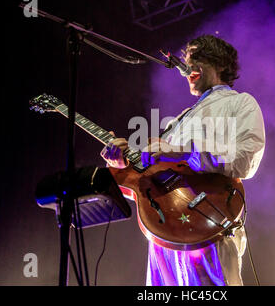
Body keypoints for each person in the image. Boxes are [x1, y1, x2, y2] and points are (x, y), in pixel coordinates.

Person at [100, 34, 265, 286]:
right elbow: (150, 177)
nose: (186, 67)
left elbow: (246, 160)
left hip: (210, 224)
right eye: (186, 60)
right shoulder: (182, 118)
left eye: (196, 58)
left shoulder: (240, 102)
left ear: (221, 64)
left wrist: (183, 151)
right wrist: (121, 166)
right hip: (165, 231)